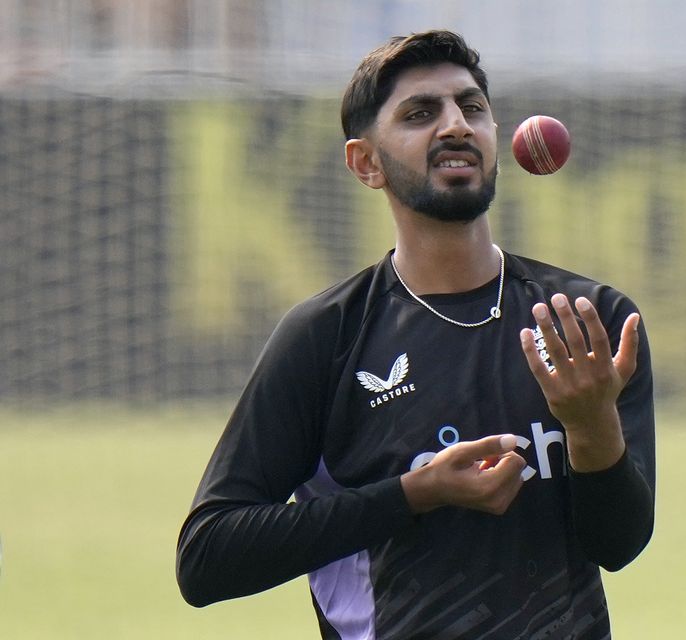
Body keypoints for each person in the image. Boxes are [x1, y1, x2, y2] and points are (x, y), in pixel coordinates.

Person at [176, 29, 655, 639]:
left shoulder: (586, 320)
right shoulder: (327, 336)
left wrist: (591, 426)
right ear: (366, 162)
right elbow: (207, 559)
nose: (456, 124)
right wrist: (414, 492)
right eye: (420, 113)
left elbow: (619, 544)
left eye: (472, 107)